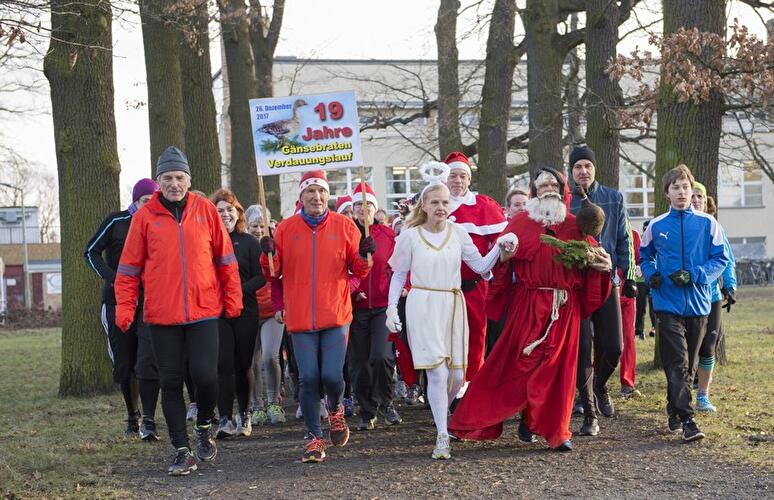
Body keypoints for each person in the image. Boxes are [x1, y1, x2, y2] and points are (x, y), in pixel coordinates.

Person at [449, 167, 612, 452]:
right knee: (514, 364)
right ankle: (474, 419)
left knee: (558, 370)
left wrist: (604, 267)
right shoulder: (519, 223)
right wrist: (504, 257)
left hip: (563, 307)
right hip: (528, 305)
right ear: (534, 191)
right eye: (542, 184)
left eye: (553, 184)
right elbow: (499, 266)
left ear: (562, 190)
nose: (548, 188)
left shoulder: (576, 226)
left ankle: (557, 431)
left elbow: (595, 263)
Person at [115, 147, 243, 475]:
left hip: (203, 311)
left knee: (205, 376)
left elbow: (226, 260)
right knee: (170, 382)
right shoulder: (144, 218)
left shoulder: (206, 211)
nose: (174, 183)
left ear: (189, 180)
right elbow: (128, 269)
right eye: (168, 178)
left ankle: (203, 427)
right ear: (158, 182)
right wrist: (126, 309)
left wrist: (233, 300)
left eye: (180, 177)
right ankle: (182, 450)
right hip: (161, 316)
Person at [386, 161, 517, 459]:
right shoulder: (410, 236)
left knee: (457, 376)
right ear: (424, 205)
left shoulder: (459, 233)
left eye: (445, 202)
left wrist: (500, 246)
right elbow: (397, 274)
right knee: (436, 372)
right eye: (435, 202)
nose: (441, 207)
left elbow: (482, 266)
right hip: (423, 304)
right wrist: (391, 309)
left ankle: (441, 411)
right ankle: (442, 434)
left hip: (454, 305)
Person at [260, 170, 373, 463]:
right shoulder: (285, 229)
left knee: (332, 377)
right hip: (300, 318)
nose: (317, 197)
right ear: (301, 197)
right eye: (310, 192)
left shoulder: (345, 225)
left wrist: (364, 254)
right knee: (308, 378)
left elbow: (360, 271)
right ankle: (313, 438)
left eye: (321, 192)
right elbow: (273, 273)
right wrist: (267, 253)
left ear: (328, 196)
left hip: (335, 314)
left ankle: (335, 410)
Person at [640, 165, 729, 442]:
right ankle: (688, 420)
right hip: (667, 304)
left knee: (688, 366)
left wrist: (697, 275)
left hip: (700, 304)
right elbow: (644, 256)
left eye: (685, 187)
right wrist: (652, 275)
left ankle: (673, 409)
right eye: (676, 187)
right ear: (667, 192)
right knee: (677, 362)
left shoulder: (708, 224)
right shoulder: (656, 226)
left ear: (692, 192)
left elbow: (721, 260)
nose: (681, 192)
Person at [85, 178, 161, 440]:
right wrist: (113, 277)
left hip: (150, 301)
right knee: (125, 362)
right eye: (144, 202)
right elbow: (90, 252)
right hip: (117, 300)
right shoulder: (116, 222)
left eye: (153, 201)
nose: (148, 206)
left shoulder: (160, 223)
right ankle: (133, 416)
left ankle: (150, 421)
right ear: (135, 201)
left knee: (148, 360)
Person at [568, 145, 635, 437]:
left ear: (594, 169)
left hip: (607, 281)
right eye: (578, 167)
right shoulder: (565, 201)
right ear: (571, 172)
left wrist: (627, 275)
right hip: (576, 286)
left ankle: (599, 385)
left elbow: (624, 240)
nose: (583, 171)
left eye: (587, 166)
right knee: (582, 350)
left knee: (614, 346)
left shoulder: (613, 198)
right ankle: (588, 406)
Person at [443, 151, 507, 385]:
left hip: (474, 287)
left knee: (475, 340)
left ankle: (470, 390)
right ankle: (444, 391)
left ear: (469, 179)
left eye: (462, 176)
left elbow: (501, 245)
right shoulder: (434, 204)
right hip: (440, 289)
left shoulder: (484, 206)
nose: (457, 181)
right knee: (444, 341)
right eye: (452, 176)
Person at [209, 189, 265, 439]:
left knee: (243, 365)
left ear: (238, 212)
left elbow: (262, 276)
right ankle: (224, 418)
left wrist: (237, 290)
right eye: (219, 210)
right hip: (217, 311)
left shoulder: (249, 243)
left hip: (245, 311)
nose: (225, 214)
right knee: (223, 364)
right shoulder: (206, 242)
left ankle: (244, 412)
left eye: (229, 210)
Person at [348, 182, 402, 430]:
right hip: (354, 309)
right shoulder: (346, 233)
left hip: (382, 306)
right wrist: (353, 290)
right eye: (358, 204)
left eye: (367, 204)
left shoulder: (389, 236)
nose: (363, 209)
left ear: (375, 208)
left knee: (381, 356)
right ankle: (367, 410)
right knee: (359, 363)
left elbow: (400, 266)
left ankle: (385, 402)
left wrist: (400, 289)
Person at [690, 182, 737, 413]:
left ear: (706, 201)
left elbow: (726, 260)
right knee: (688, 348)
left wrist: (730, 286)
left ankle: (702, 395)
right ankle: (682, 389)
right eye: (693, 195)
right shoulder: (679, 227)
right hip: (686, 297)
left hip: (711, 296)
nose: (696, 199)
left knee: (709, 345)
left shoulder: (715, 227)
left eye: (700, 196)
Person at [619, 228, 642, 398]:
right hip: (601, 294)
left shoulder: (632, 234)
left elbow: (641, 261)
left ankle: (627, 382)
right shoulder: (596, 230)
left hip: (626, 296)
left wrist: (635, 274)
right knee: (597, 339)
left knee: (628, 337)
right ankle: (596, 382)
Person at [634, 220, 657, 340]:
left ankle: (654, 328)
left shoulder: (657, 239)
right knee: (640, 307)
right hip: (640, 280)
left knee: (654, 306)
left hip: (653, 279)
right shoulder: (640, 240)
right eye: (645, 228)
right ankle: (639, 330)